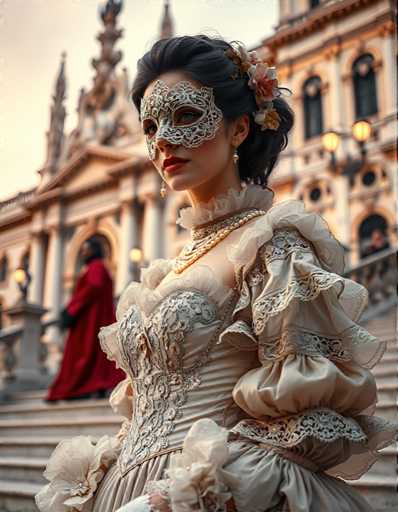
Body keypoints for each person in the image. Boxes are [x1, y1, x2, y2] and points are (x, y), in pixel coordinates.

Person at [36, 36, 396, 512]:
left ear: (240, 129)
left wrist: (166, 501)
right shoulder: (168, 271)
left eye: (185, 116)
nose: (162, 138)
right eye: (149, 125)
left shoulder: (275, 245)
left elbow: (299, 425)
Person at [46, 237, 124, 401]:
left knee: (85, 355)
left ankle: (84, 388)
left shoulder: (96, 267)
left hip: (89, 321)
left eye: (86, 248)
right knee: (95, 356)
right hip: (91, 319)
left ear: (94, 250)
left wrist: (71, 309)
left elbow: (93, 287)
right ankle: (94, 386)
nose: (83, 252)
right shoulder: (98, 267)